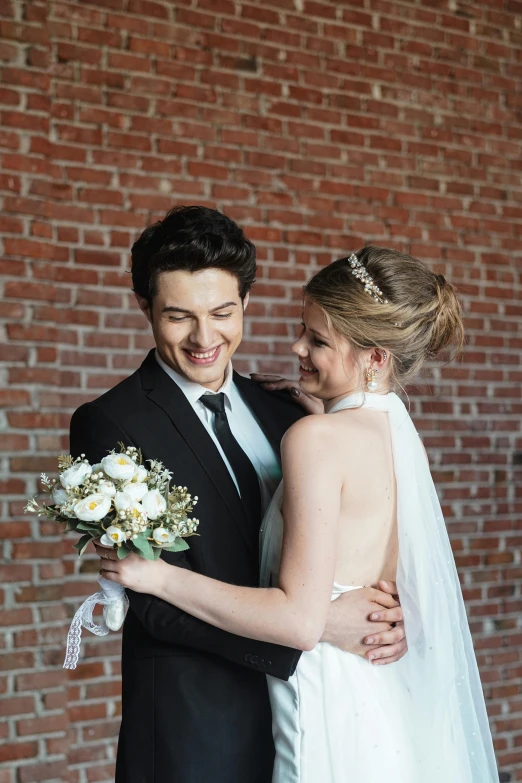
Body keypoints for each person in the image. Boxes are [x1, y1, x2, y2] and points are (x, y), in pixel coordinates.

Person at [99, 246, 499, 782]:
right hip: (372, 694)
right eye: (178, 315)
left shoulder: (311, 433)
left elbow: (299, 619)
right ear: (146, 308)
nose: (296, 347)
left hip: (323, 695)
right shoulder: (395, 432)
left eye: (317, 339)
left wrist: (159, 576)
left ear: (376, 357)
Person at [70, 207, 406, 783]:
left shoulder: (287, 412)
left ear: (246, 303)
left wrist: (384, 616)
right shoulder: (109, 423)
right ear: (145, 309)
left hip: (316, 709)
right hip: (197, 729)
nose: (204, 339)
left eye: (222, 313)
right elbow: (151, 602)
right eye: (178, 317)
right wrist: (318, 623)